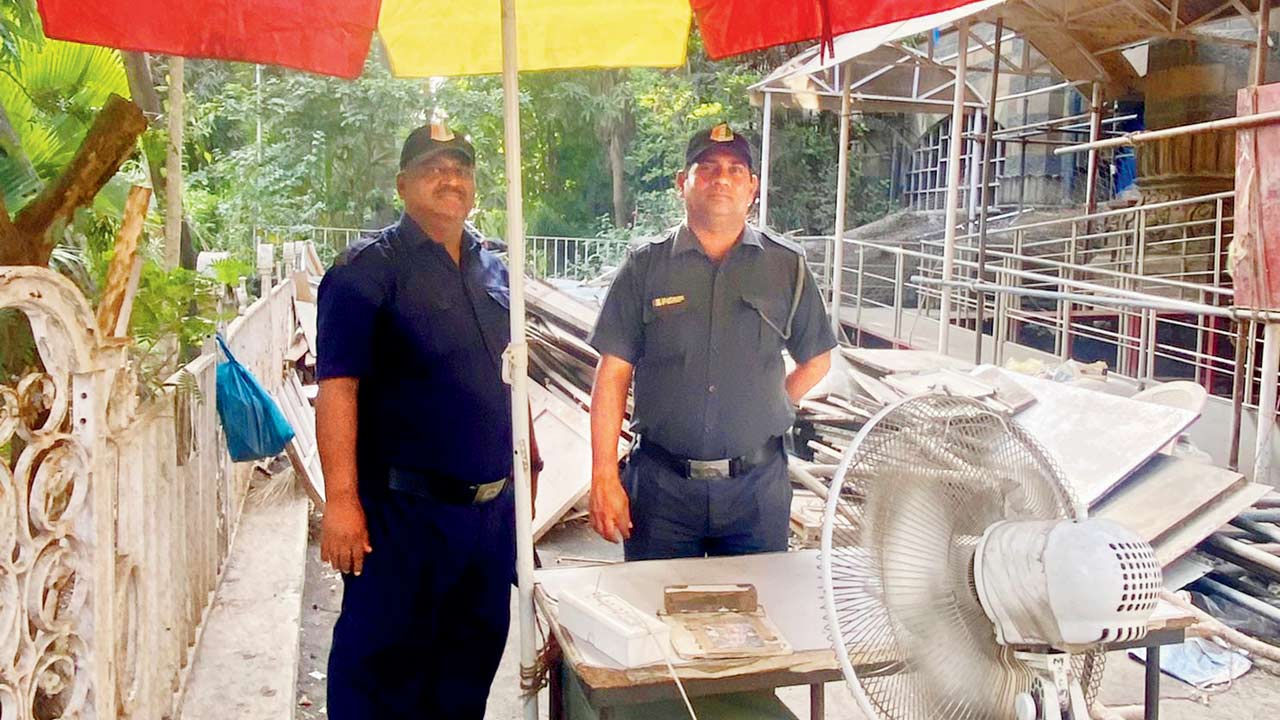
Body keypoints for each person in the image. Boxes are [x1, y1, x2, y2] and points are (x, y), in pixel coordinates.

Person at [315, 121, 541, 719]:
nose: (451, 177)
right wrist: (340, 500)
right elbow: (337, 389)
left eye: (461, 167)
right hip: (401, 519)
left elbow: (511, 374)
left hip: (488, 523)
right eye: (433, 167)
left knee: (466, 673)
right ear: (402, 184)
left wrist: (529, 458)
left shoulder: (496, 270)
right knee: (381, 675)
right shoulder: (364, 271)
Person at [587, 122, 836, 561]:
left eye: (736, 170)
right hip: (663, 494)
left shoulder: (786, 266)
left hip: (756, 495)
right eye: (708, 168)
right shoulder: (646, 267)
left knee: (758, 619)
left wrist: (769, 403)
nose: (722, 179)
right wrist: (604, 473)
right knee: (658, 621)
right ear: (684, 182)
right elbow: (613, 374)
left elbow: (817, 358)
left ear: (753, 187)